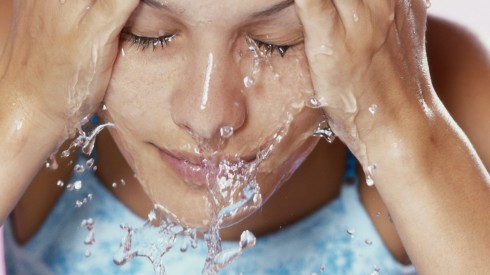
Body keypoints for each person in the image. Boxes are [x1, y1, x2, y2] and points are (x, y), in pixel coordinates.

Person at [1, 0, 489, 274]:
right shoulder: (22, 53)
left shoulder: (451, 101)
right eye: (147, 34)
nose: (208, 116)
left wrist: (401, 129)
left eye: (276, 41)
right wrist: (28, 106)